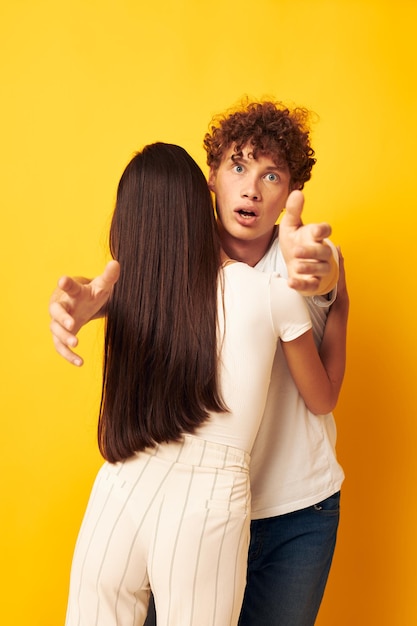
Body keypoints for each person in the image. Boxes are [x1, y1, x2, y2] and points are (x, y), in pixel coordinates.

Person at [50, 99, 349, 626]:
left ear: (291, 193)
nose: (252, 188)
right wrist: (86, 309)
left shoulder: (303, 254)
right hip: (193, 507)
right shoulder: (173, 253)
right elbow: (119, 289)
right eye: (238, 166)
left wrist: (327, 280)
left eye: (272, 174)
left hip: (295, 513)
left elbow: (320, 280)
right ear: (211, 176)